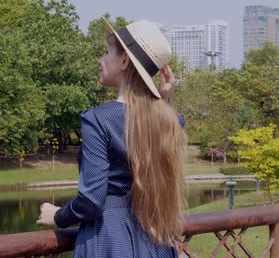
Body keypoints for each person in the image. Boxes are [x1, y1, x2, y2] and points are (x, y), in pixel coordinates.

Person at [37, 18, 187, 257]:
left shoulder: (99, 119)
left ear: (125, 60)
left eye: (107, 52)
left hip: (109, 239)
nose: (100, 59)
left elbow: (91, 201)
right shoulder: (169, 121)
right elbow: (160, 121)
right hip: (154, 240)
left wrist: (58, 215)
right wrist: (162, 99)